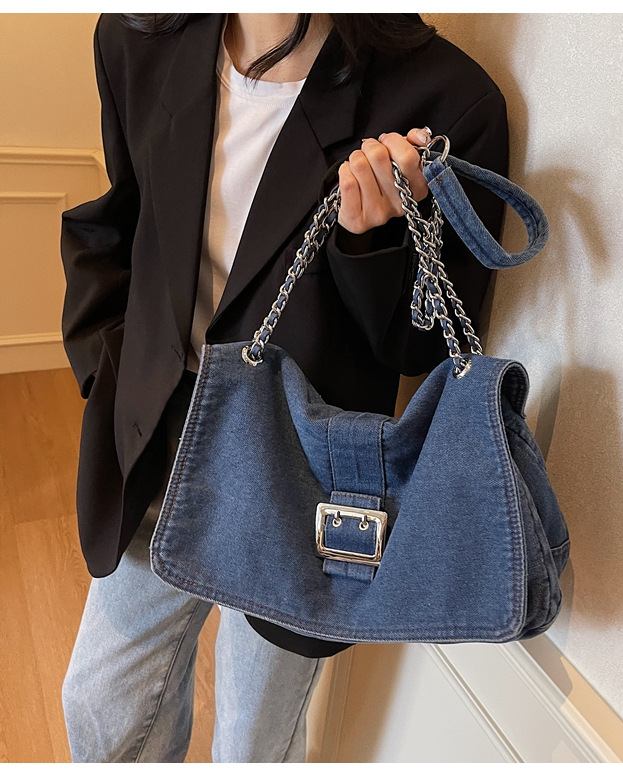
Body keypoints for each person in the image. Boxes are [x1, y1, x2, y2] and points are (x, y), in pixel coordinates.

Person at [60, 12, 509, 763]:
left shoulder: (450, 99)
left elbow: (427, 352)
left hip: (305, 481)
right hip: (158, 437)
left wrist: (373, 240)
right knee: (102, 706)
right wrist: (101, 368)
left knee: (253, 744)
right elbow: (125, 215)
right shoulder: (138, 39)